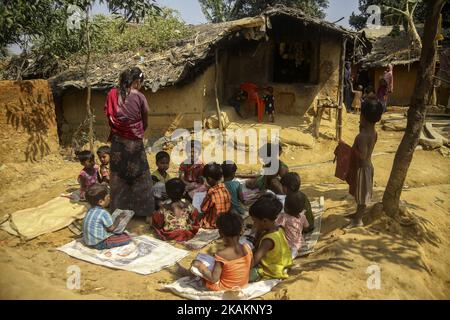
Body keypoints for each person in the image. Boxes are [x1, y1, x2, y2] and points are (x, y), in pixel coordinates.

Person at [104, 67, 154, 223]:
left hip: (118, 143)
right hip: (135, 143)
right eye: (140, 82)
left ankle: (119, 210)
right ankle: (144, 211)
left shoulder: (112, 94)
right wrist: (138, 131)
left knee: (118, 176)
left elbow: (109, 118)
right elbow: (145, 119)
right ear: (136, 81)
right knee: (141, 176)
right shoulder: (139, 97)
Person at [346, 99, 384, 228]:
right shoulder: (374, 133)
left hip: (363, 169)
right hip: (368, 167)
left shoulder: (361, 137)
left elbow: (362, 156)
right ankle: (357, 214)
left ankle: (358, 221)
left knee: (361, 197)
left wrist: (349, 150)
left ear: (362, 116)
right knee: (361, 194)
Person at [191, 213, 253, 291]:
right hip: (243, 284)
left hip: (226, 288)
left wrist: (200, 266)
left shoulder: (221, 254)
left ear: (220, 233)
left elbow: (214, 279)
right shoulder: (247, 247)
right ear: (241, 231)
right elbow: (250, 266)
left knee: (197, 266)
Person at [249, 193, 293, 281]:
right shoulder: (279, 229)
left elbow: (253, 262)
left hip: (272, 271)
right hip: (282, 264)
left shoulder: (268, 241)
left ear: (264, 221)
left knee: (245, 275)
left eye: (255, 221)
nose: (254, 224)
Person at [83, 183, 131, 250]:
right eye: (108, 197)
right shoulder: (103, 213)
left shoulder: (90, 210)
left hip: (87, 241)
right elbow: (111, 229)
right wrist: (118, 219)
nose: (109, 198)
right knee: (127, 238)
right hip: (99, 243)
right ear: (101, 202)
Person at [276, 192, 309, 259]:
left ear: (286, 207)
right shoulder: (302, 216)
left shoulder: (284, 217)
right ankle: (294, 252)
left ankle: (291, 254)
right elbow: (307, 226)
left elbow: (276, 225)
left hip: (287, 243)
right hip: (299, 243)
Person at [199, 162, 231, 229]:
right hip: (224, 222)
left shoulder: (212, 193)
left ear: (209, 179)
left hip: (212, 223)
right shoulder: (225, 189)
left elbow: (203, 209)